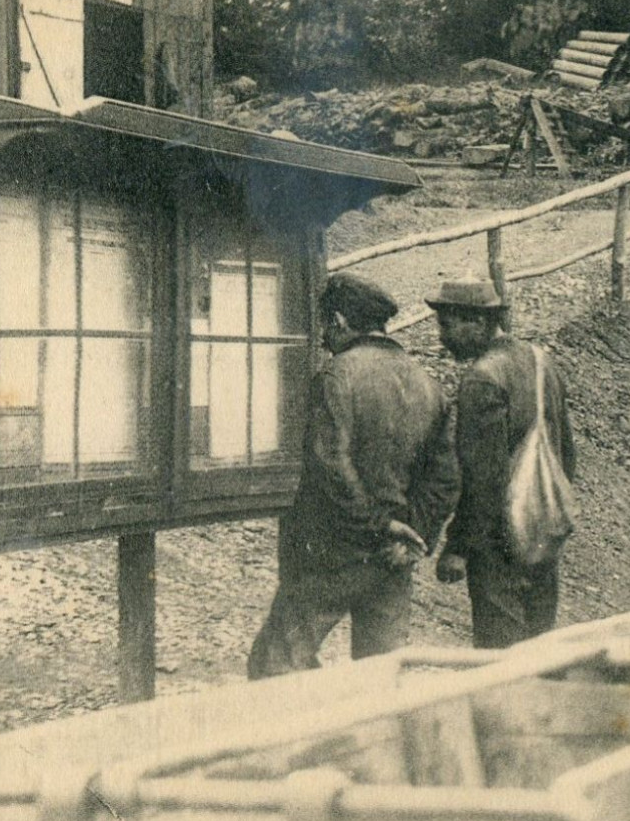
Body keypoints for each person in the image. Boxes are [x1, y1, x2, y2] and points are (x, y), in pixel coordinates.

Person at [247, 274, 459, 679]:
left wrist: (377, 526)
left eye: (326, 326)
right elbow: (445, 479)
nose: (324, 338)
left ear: (340, 322)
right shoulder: (428, 385)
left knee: (277, 662)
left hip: (331, 552)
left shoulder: (335, 377)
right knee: (382, 673)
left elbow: (331, 465)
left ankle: (302, 741)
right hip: (393, 559)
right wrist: (414, 534)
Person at [429, 278, 577, 648]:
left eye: (447, 325)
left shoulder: (483, 379)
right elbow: (566, 454)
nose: (442, 338)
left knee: (500, 652)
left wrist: (459, 546)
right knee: (539, 645)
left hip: (499, 541)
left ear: (478, 323)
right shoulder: (543, 363)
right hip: (543, 528)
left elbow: (483, 477)